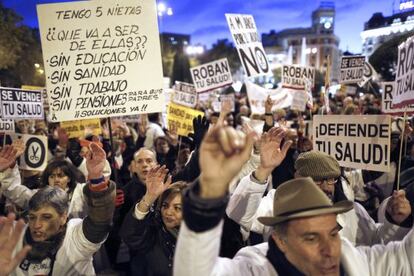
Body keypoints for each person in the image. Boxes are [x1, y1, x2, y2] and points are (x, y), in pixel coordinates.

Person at [173, 123, 414, 276]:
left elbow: (404, 257)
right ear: (280, 241)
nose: (329, 250)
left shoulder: (353, 257)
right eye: (310, 238)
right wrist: (210, 192)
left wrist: (395, 221)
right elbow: (238, 216)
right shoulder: (258, 266)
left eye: (333, 233)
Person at [228, 149, 412, 245]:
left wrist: (397, 222)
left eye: (331, 179)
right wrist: (262, 170)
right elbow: (240, 215)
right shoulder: (278, 203)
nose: (325, 187)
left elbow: (378, 243)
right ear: (298, 179)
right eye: (317, 181)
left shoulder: (353, 211)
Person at [3, 142, 115, 275]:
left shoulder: (76, 232)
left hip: (88, 243)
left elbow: (99, 216)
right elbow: (14, 190)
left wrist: (97, 180)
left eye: (47, 217)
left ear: (64, 217)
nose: (36, 225)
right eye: (32, 217)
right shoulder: (16, 233)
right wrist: (7, 168)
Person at [121, 165, 186, 276]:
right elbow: (131, 235)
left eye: (177, 208)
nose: (168, 212)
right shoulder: (153, 233)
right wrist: (149, 197)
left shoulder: (202, 236)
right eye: (165, 206)